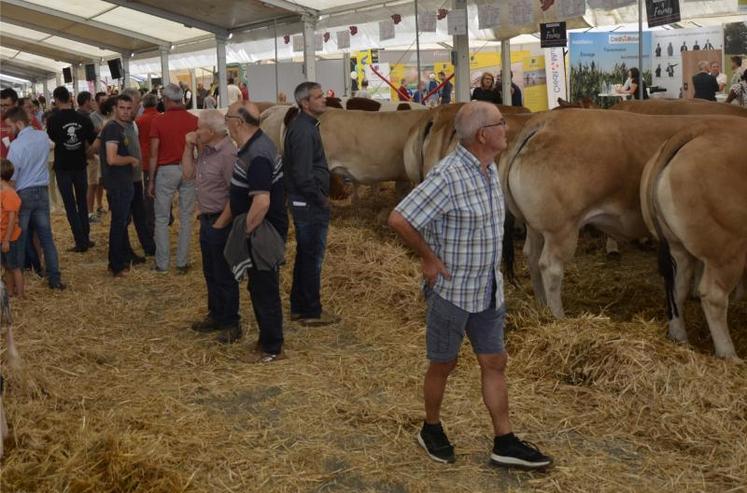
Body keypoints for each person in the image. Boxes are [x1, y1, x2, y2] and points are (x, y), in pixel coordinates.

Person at [388, 101, 552, 469]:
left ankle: (504, 440)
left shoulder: (488, 168)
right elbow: (399, 218)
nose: (506, 128)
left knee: (494, 361)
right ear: (483, 135)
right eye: (500, 123)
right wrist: (428, 258)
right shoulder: (448, 176)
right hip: (453, 291)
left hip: (488, 288)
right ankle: (431, 427)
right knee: (442, 364)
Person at [225, 101, 289, 360]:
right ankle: (267, 342)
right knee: (261, 287)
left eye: (227, 116)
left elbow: (262, 202)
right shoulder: (257, 145)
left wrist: (246, 233)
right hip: (263, 228)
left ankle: (271, 348)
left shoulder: (258, 154)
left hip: (263, 231)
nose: (225, 120)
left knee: (264, 289)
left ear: (238, 123)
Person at [283, 82, 339, 326]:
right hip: (307, 202)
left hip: (302, 199)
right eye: (318, 97)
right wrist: (321, 198)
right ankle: (311, 312)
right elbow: (303, 175)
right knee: (312, 257)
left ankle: (299, 306)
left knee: (306, 255)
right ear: (305, 103)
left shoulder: (304, 126)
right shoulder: (304, 131)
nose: (324, 99)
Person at [181, 110, 240, 342]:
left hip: (220, 221)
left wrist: (221, 222)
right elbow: (187, 174)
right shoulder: (206, 151)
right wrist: (188, 148)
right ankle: (216, 314)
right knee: (211, 272)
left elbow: (235, 194)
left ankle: (231, 323)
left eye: (199, 129)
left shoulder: (228, 154)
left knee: (224, 274)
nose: (195, 132)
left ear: (211, 132)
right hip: (207, 219)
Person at [4, 106, 65, 289]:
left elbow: (12, 178)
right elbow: (51, 146)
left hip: (24, 193)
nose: (8, 130)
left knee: (19, 238)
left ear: (19, 123)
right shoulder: (41, 136)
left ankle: (19, 280)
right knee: (46, 237)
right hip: (42, 190)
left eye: (10, 126)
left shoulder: (16, 146)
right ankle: (54, 278)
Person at [148, 83, 198, 274]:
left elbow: (153, 153)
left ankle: (162, 264)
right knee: (186, 217)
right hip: (188, 168)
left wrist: (151, 180)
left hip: (166, 170)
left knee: (161, 218)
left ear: (167, 100)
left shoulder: (158, 121)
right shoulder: (193, 120)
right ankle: (182, 262)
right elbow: (199, 151)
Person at [46, 86, 97, 253]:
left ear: (56, 99)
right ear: (69, 98)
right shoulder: (83, 118)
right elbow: (92, 139)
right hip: (80, 164)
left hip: (63, 166)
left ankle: (80, 240)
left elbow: (53, 138)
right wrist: (88, 152)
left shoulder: (53, 119)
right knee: (82, 202)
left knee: (69, 204)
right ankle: (86, 237)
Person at [120, 87, 155, 260]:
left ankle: (148, 246)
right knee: (124, 218)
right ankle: (126, 251)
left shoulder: (132, 123)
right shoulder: (117, 126)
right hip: (124, 179)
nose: (139, 106)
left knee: (139, 213)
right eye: (136, 102)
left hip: (134, 177)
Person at [135, 93, 159, 245]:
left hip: (144, 158)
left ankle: (150, 219)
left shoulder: (138, 121)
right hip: (160, 158)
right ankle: (166, 214)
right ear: (156, 103)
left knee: (148, 191)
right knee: (162, 188)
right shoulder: (161, 118)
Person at [1, 159, 24, 297]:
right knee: (7, 267)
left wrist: (7, 240)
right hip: (3, 237)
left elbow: (11, 220)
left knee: (14, 267)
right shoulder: (3, 192)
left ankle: (21, 296)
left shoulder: (9, 194)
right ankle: (9, 292)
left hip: (10, 238)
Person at [88, 92, 108, 220]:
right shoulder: (93, 116)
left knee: (101, 182)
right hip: (96, 154)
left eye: (107, 100)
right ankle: (90, 211)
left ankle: (100, 205)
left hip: (107, 152)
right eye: (102, 100)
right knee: (93, 183)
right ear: (97, 102)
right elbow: (98, 130)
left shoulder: (108, 115)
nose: (105, 102)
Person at [1, 88, 19, 159]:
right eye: (0, 105)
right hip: (3, 167)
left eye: (6, 105)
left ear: (16, 104)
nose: (2, 108)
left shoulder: (28, 120)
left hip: (21, 166)